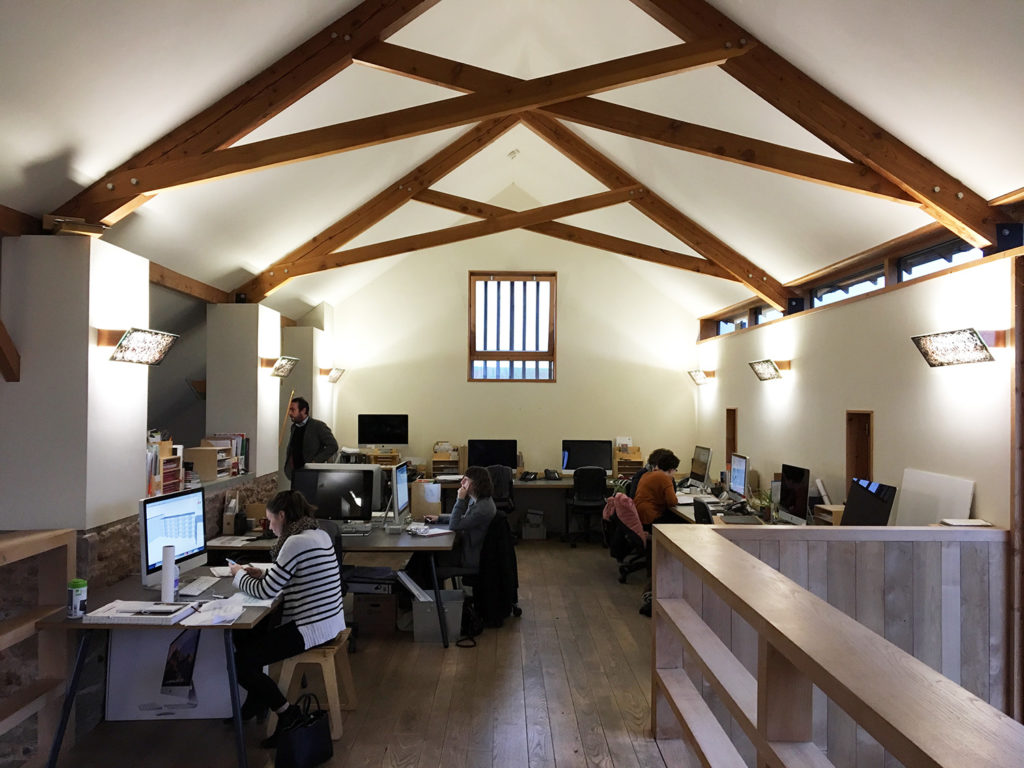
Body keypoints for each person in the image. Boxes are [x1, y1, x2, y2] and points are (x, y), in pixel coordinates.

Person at [229, 490, 344, 748]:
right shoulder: (318, 534)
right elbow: (287, 577)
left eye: (270, 521)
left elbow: (266, 591)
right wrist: (260, 573)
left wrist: (238, 575)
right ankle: (258, 698)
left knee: (240, 663)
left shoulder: (294, 543)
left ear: (282, 516)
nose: (269, 527)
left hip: (310, 629)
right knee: (245, 636)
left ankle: (286, 712)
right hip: (330, 621)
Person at [404, 465, 497, 589]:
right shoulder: (480, 500)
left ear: (475, 484)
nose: (461, 482)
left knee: (424, 558)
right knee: (421, 556)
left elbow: (455, 524)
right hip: (468, 548)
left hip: (469, 558)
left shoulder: (482, 509)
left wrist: (460, 499)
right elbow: (463, 519)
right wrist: (440, 518)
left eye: (466, 480)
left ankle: (421, 596)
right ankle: (410, 589)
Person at [633, 449, 681, 616]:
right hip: (652, 519)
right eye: (675, 470)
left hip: (642, 517)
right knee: (683, 525)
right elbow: (672, 501)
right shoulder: (664, 478)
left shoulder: (649, 474)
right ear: (672, 469)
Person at [283, 396, 338, 482]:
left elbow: (333, 445)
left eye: (293, 410)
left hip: (311, 474)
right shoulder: (294, 427)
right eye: (290, 410)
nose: (290, 413)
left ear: (303, 410)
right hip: (295, 474)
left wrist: (315, 461)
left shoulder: (318, 426)